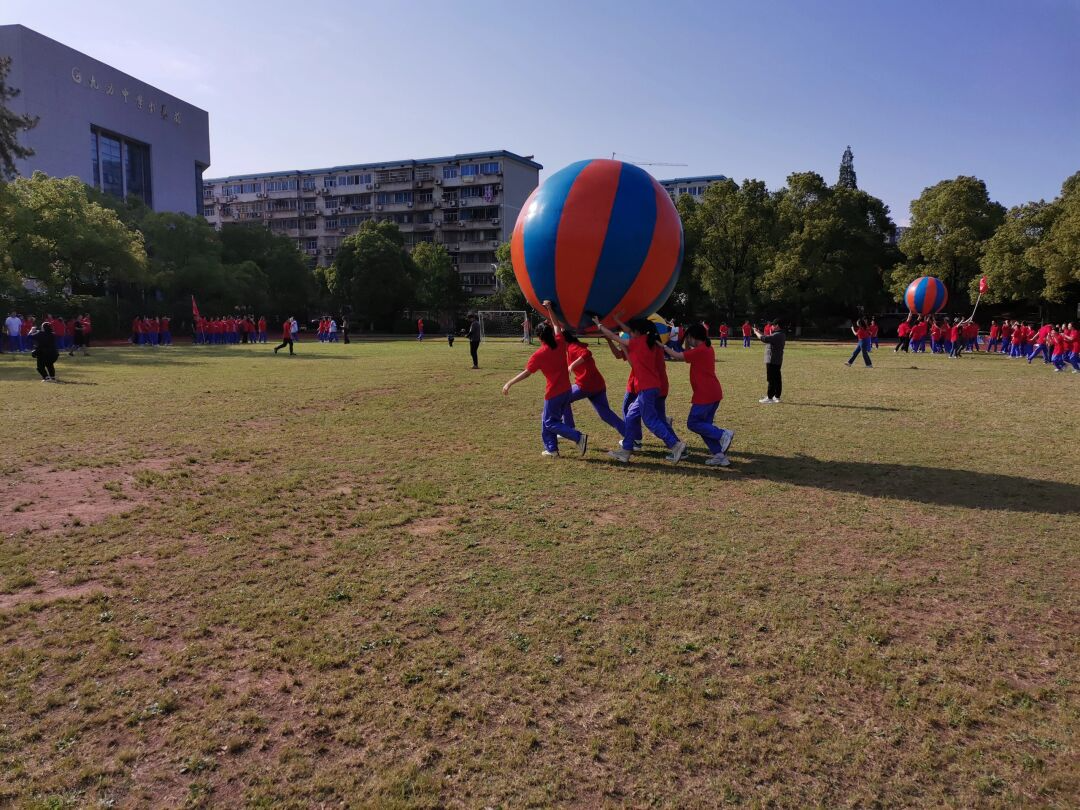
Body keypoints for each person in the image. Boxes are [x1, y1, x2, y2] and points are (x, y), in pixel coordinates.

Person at [593, 315, 688, 464]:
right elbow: (628, 338)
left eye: (631, 331)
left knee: (650, 421)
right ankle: (626, 451)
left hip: (646, 388)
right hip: (651, 387)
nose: (629, 332)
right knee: (631, 415)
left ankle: (675, 445)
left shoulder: (638, 342)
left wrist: (599, 325)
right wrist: (617, 319)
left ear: (637, 332)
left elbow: (613, 336)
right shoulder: (649, 341)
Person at [501, 311, 589, 459]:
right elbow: (556, 325)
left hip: (554, 393)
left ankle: (578, 437)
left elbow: (527, 373)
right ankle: (552, 449)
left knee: (549, 422)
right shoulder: (560, 342)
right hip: (566, 390)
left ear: (539, 337)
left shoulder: (539, 354)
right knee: (546, 419)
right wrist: (550, 308)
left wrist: (509, 383)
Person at [545, 302, 625, 441]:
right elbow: (558, 327)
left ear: (563, 339)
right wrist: (550, 312)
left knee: (562, 398)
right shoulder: (570, 345)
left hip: (586, 385)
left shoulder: (573, 347)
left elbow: (587, 353)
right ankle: (630, 435)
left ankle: (569, 428)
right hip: (598, 384)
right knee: (605, 414)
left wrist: (572, 365)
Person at [661, 323, 735, 466]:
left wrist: (663, 346)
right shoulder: (706, 348)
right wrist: (687, 341)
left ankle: (723, 434)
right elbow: (687, 355)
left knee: (693, 423)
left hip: (705, 394)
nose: (687, 341)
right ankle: (719, 455)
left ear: (693, 337)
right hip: (712, 392)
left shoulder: (700, 351)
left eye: (688, 338)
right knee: (704, 427)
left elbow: (678, 356)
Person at [753, 321, 785, 404]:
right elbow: (768, 337)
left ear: (777, 325)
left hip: (772, 360)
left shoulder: (777, 335)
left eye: (773, 325)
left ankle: (770, 397)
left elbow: (764, 339)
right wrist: (760, 332)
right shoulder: (781, 334)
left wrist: (756, 333)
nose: (772, 327)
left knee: (771, 379)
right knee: (777, 378)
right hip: (777, 359)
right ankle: (776, 396)